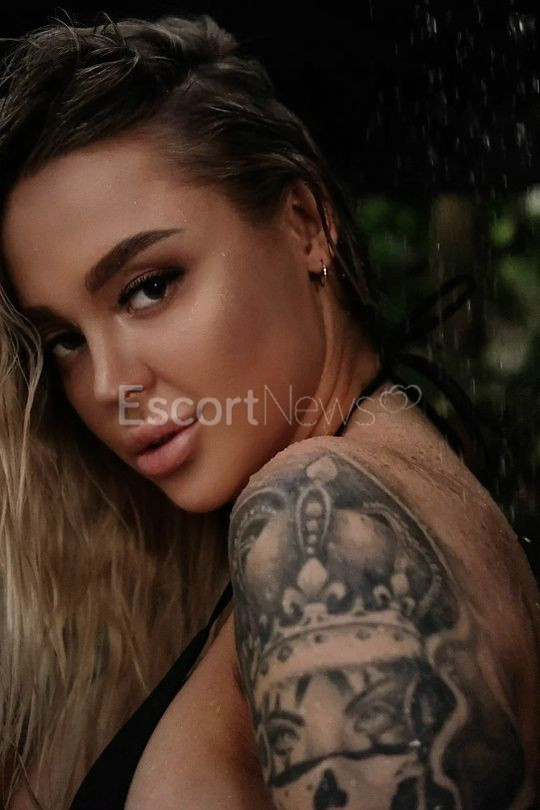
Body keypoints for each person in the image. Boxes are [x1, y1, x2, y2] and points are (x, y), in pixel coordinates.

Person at [0, 11, 538, 810]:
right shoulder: (403, 486)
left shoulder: (316, 515)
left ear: (306, 225)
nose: (109, 383)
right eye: (65, 340)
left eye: (149, 287)